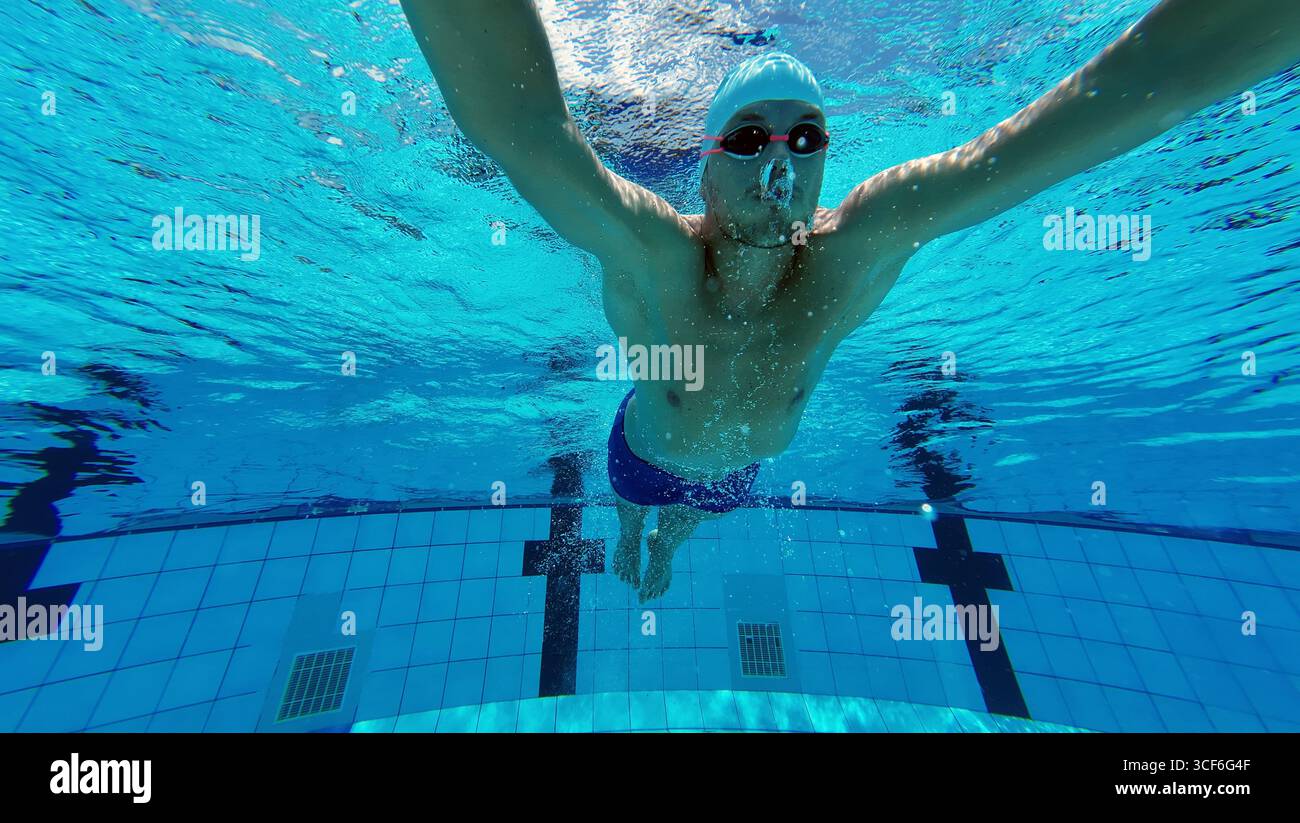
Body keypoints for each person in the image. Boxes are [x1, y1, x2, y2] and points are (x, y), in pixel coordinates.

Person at [399, 0, 1300, 601]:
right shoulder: (656, 257)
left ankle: (665, 543)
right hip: (641, 451)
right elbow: (525, 133)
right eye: (749, 139)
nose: (778, 166)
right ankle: (634, 533)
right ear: (707, 160)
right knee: (634, 507)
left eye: (805, 139)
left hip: (735, 477)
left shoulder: (854, 252)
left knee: (687, 526)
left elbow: (1020, 154)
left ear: (828, 159)